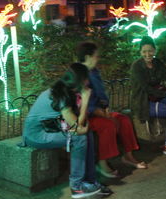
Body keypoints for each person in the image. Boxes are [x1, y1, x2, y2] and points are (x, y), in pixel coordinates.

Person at [23, 65, 111, 198]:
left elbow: (79, 124)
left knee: (87, 134)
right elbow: (77, 128)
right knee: (79, 138)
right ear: (81, 81)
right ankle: (77, 186)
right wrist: (86, 101)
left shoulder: (66, 90)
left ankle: (90, 181)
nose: (89, 82)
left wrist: (83, 124)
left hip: (52, 129)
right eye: (87, 79)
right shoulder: (61, 96)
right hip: (36, 135)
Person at [77, 42, 146, 178]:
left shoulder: (94, 71)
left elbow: (101, 95)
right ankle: (102, 162)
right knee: (108, 125)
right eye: (96, 56)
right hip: (84, 116)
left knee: (123, 119)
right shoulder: (79, 74)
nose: (98, 58)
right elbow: (79, 101)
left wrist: (105, 108)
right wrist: (100, 112)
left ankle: (128, 156)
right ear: (87, 57)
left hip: (99, 111)